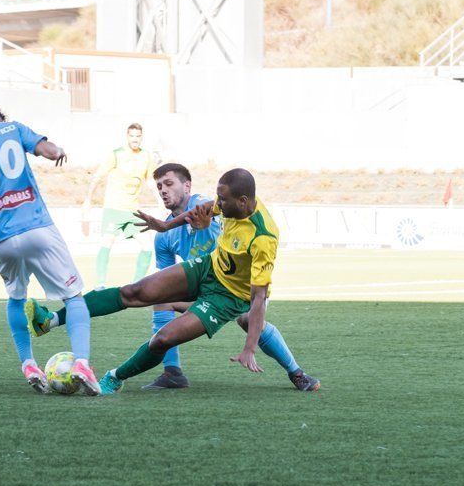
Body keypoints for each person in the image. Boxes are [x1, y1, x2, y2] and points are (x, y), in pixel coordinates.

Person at [28, 163, 317, 392]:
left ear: (242, 202)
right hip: (207, 268)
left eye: (223, 200)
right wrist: (165, 227)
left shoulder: (264, 237)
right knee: (134, 292)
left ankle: (113, 378)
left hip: (228, 298)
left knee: (167, 338)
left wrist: (248, 348)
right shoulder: (226, 203)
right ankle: (50, 320)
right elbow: (200, 211)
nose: (217, 204)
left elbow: (258, 299)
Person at [0, 101, 100, 395]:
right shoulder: (13, 128)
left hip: (1, 239)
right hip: (37, 227)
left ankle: (29, 364)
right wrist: (60, 150)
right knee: (73, 297)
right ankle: (81, 363)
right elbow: (49, 151)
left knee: (16, 298)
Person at [82, 123, 159, 289]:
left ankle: (136, 285)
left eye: (138, 136)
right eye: (132, 136)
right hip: (114, 209)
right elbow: (97, 177)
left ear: (141, 137)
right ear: (127, 136)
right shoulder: (115, 155)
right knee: (106, 243)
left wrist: (160, 201)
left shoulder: (146, 156)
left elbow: (150, 180)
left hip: (133, 210)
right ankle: (100, 285)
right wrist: (88, 199)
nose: (135, 139)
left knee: (147, 246)